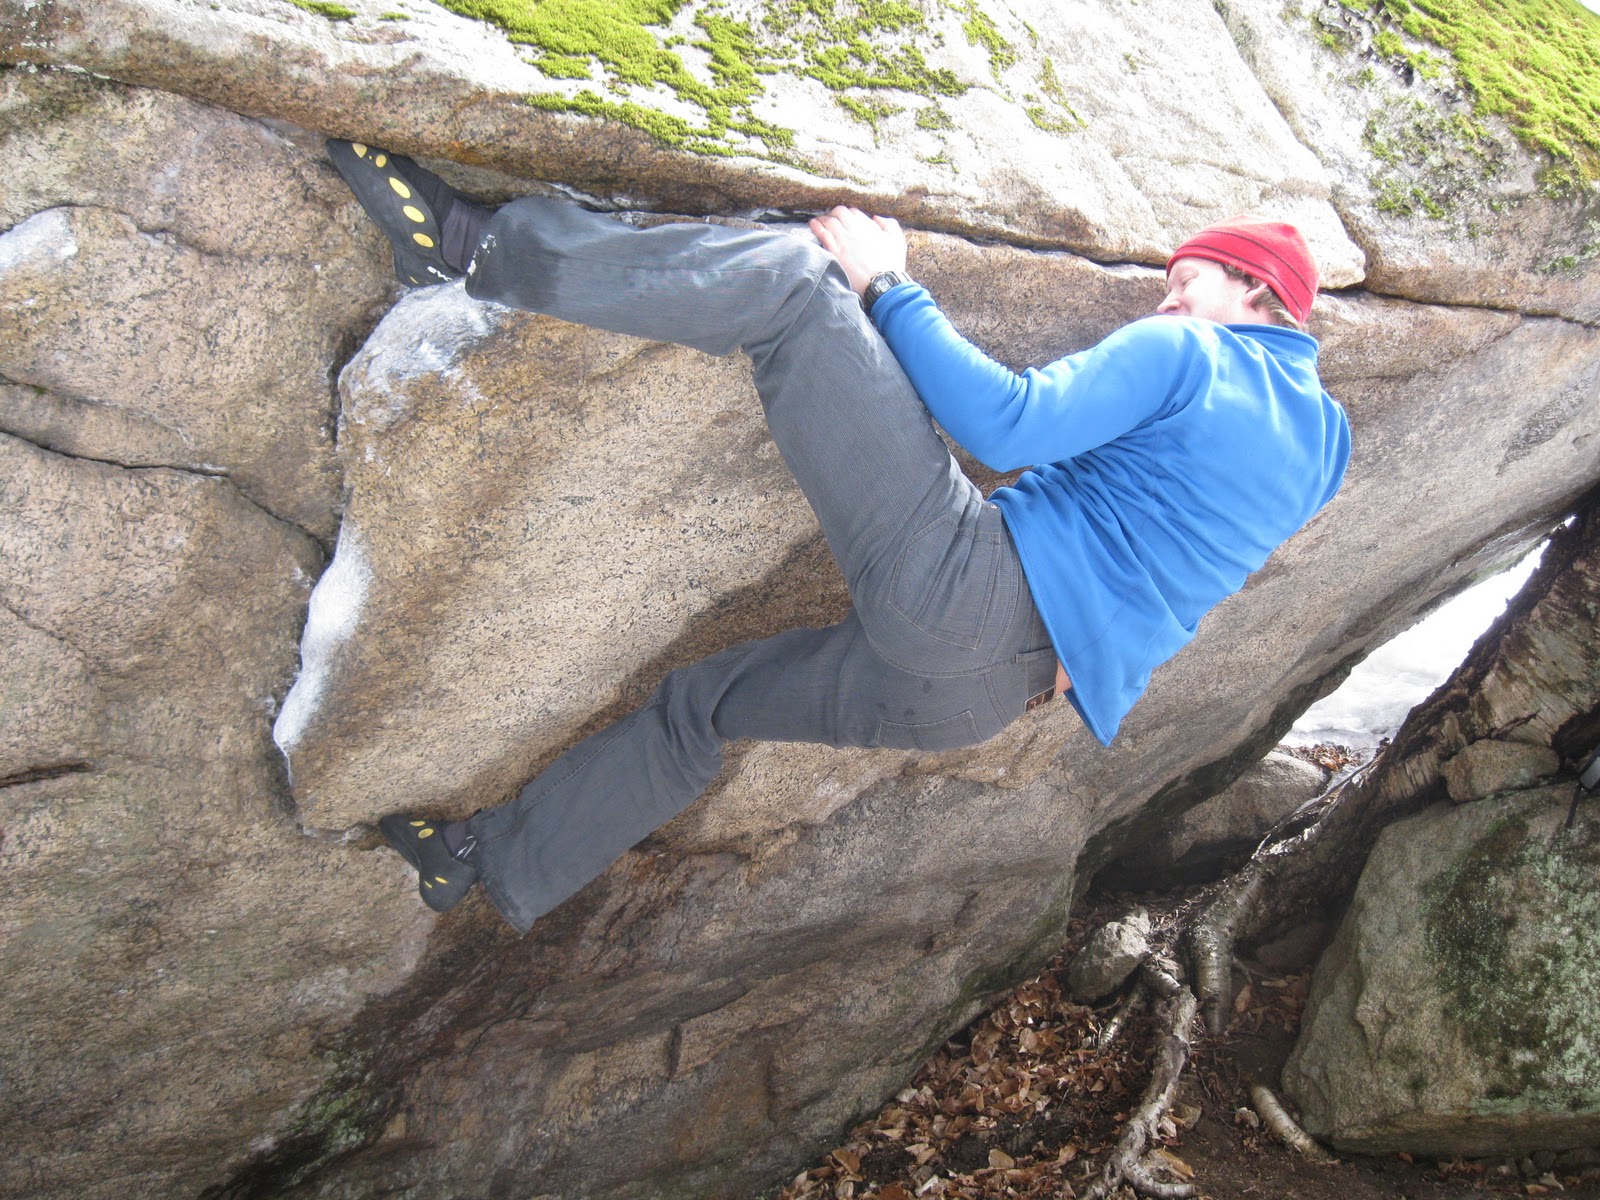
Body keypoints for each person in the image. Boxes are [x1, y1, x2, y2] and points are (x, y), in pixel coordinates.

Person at [326, 139, 1351, 935]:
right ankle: (483, 860)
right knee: (700, 706)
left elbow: (1005, 426)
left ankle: (470, 245)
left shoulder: (1193, 352)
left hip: (964, 590)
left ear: (1255, 292)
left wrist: (886, 284)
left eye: (1189, 280)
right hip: (984, 700)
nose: (1168, 297)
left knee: (790, 286)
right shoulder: (1327, 448)